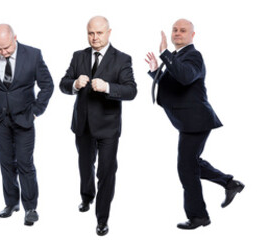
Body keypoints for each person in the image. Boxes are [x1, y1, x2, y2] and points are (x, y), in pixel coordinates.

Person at [144, 18, 244, 230]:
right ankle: (229, 183)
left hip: (196, 121)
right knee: (191, 163)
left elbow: (186, 76)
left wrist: (165, 54)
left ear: (192, 35)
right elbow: (175, 83)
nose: (177, 33)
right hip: (187, 122)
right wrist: (155, 71)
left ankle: (199, 217)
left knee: (186, 168)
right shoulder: (179, 56)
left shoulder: (193, 55)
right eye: (175, 30)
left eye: (183, 30)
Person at [59, 16, 137, 236]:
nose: (94, 37)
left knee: (106, 172)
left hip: (108, 127)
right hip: (82, 124)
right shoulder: (79, 56)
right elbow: (63, 83)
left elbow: (131, 91)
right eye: (90, 33)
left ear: (109, 32)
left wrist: (108, 87)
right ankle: (86, 197)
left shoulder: (122, 59)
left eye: (99, 33)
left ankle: (102, 219)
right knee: (85, 167)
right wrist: (74, 84)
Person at [0, 23, 53, 226]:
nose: (3, 52)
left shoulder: (33, 55)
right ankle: (11, 203)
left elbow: (47, 85)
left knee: (25, 163)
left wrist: (35, 112)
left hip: (24, 119)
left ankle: (30, 207)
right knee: (6, 163)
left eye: (6, 47)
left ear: (15, 38)